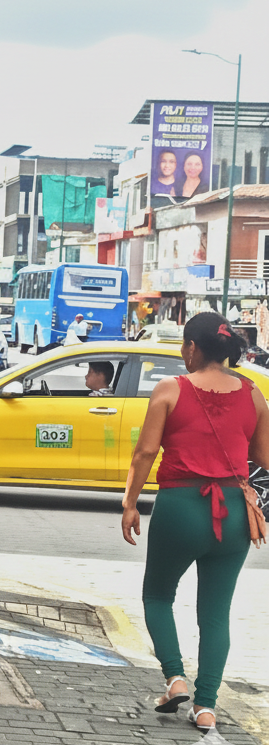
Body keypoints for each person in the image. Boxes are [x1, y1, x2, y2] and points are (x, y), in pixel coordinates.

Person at [122, 312, 267, 735]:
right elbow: (264, 456)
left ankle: (175, 678)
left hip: (181, 506)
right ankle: (206, 707)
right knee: (216, 614)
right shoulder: (253, 394)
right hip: (235, 511)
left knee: (157, 595)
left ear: (192, 347)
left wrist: (130, 503)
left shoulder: (171, 389)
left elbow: (144, 453)